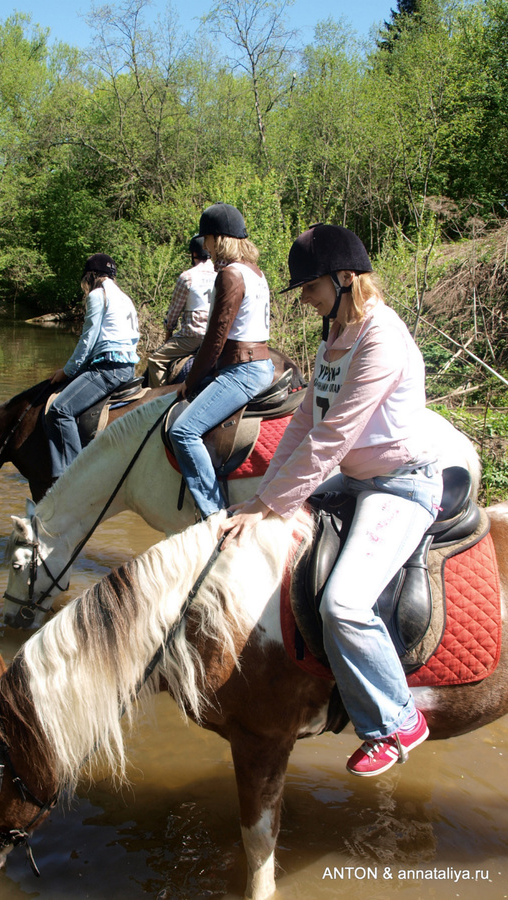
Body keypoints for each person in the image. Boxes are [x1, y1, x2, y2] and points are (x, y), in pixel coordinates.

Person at [218, 223, 443, 778]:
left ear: (345, 278)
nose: (304, 297)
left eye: (310, 285)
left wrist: (272, 503)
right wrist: (263, 495)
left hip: (401, 484)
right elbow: (305, 419)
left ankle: (398, 718)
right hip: (354, 479)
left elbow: (335, 434)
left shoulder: (382, 337)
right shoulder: (334, 335)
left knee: (343, 603)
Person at [168, 202, 274, 519]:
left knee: (182, 432)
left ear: (217, 239)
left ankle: (214, 516)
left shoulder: (229, 275)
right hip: (263, 363)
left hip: (241, 371)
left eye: (208, 240)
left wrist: (190, 382)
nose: (207, 247)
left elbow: (215, 341)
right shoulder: (256, 272)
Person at [44, 253, 139, 480]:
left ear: (92, 276)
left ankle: (72, 477)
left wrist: (67, 371)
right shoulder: (126, 298)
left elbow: (88, 340)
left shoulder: (98, 295)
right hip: (128, 367)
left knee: (59, 410)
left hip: (109, 368)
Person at [146, 235, 216, 388]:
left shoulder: (188, 277)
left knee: (155, 360)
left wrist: (168, 332)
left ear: (194, 254)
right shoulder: (221, 274)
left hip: (192, 337)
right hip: (215, 336)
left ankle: (160, 399)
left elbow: (173, 314)